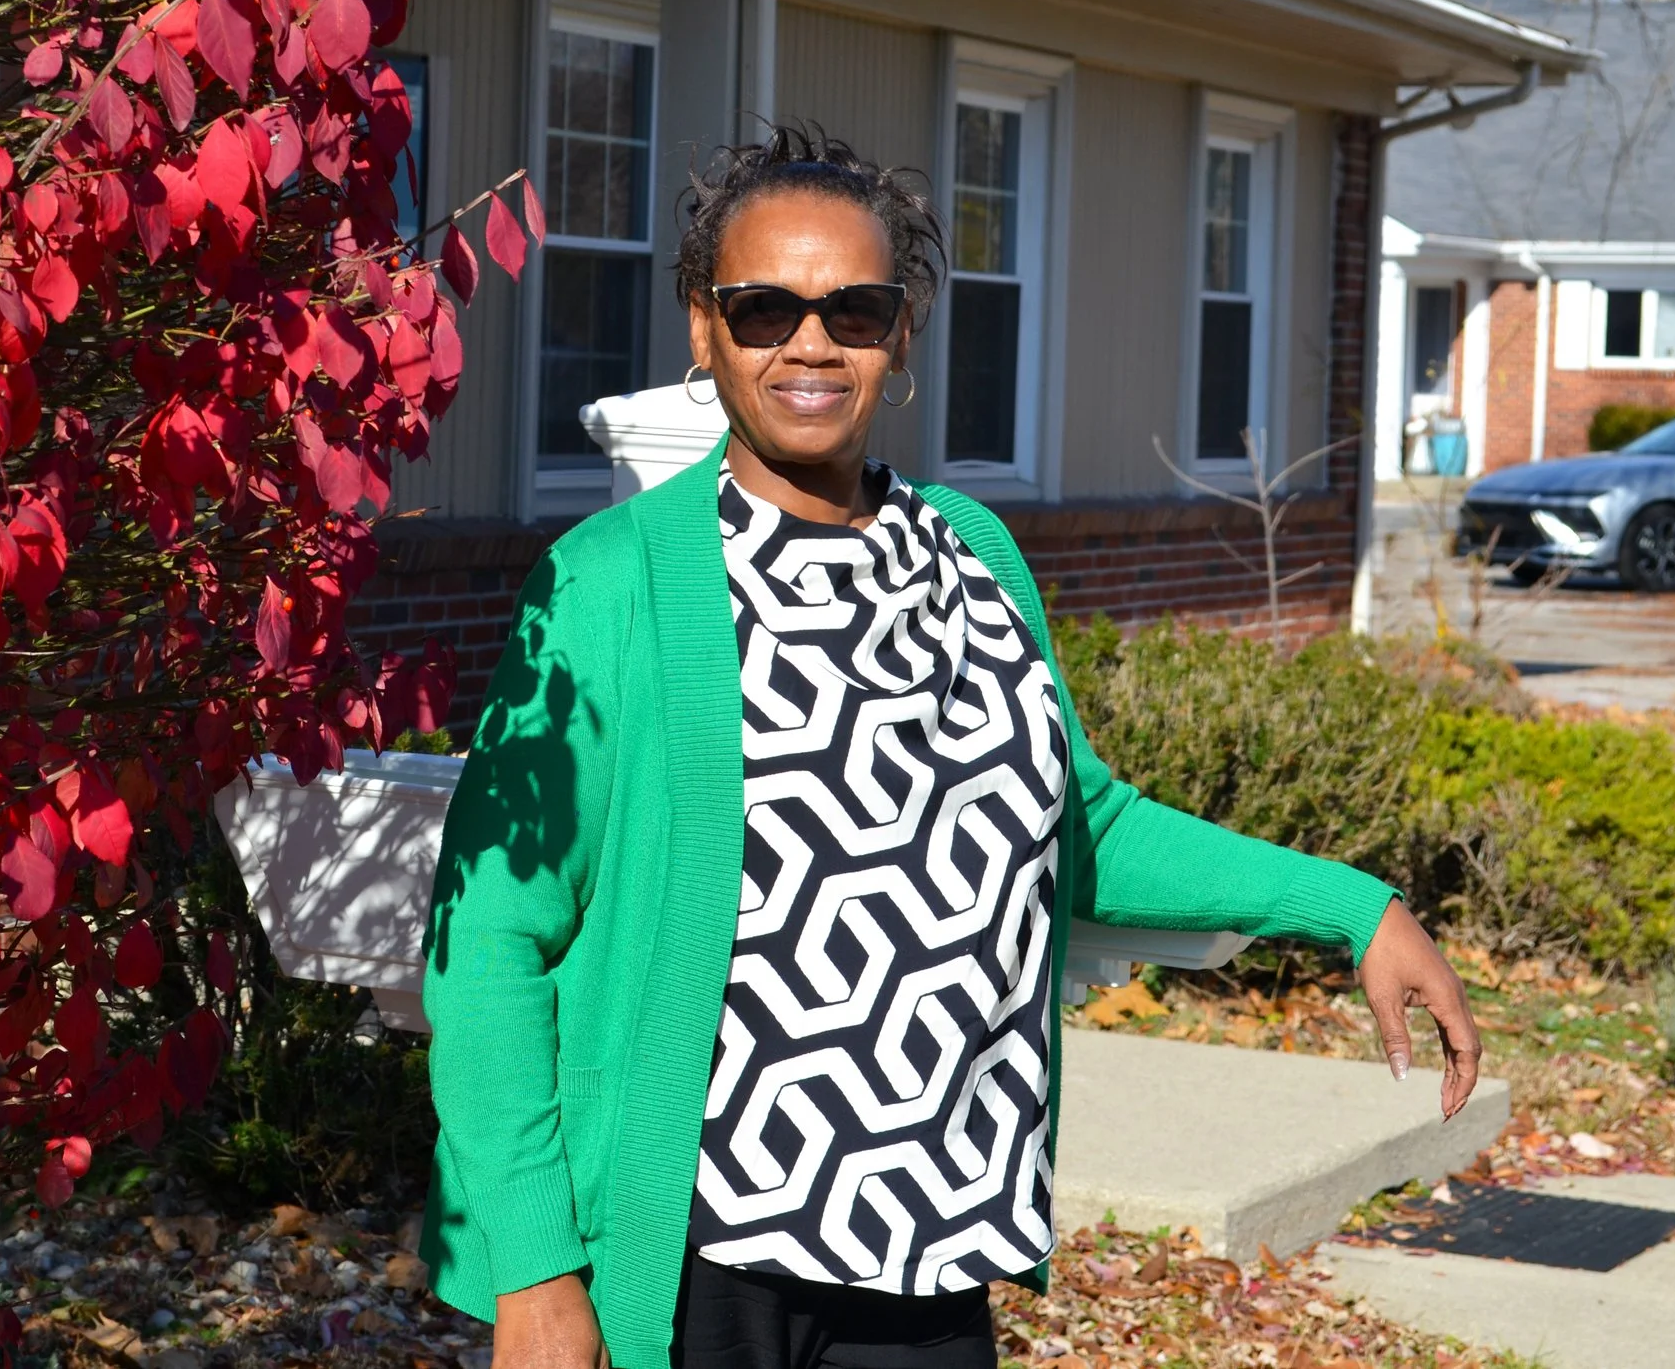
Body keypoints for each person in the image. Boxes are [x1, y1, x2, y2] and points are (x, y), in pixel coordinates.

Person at [416, 125, 1482, 1369]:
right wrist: (536, 1272)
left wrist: (1353, 907)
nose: (809, 343)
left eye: (854, 308)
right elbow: (488, 938)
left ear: (902, 330)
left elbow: (1081, 825)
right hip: (703, 1261)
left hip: (930, 1245)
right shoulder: (607, 583)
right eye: (762, 308)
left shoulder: (974, 554)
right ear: (704, 331)